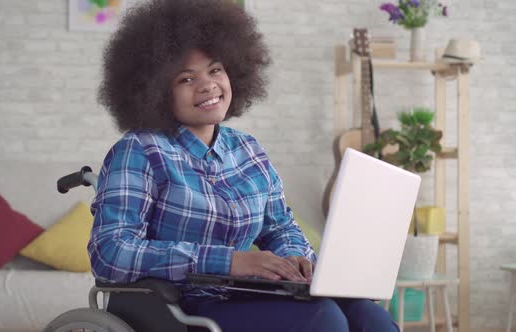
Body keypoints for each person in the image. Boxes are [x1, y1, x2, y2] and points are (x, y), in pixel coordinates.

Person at [89, 0, 399, 331]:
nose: (207, 85)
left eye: (215, 70)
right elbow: (111, 252)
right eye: (185, 79)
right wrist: (230, 261)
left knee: (369, 316)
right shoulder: (140, 150)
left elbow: (280, 227)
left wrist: (297, 260)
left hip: (244, 296)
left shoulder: (247, 149)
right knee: (324, 319)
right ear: (156, 91)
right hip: (176, 308)